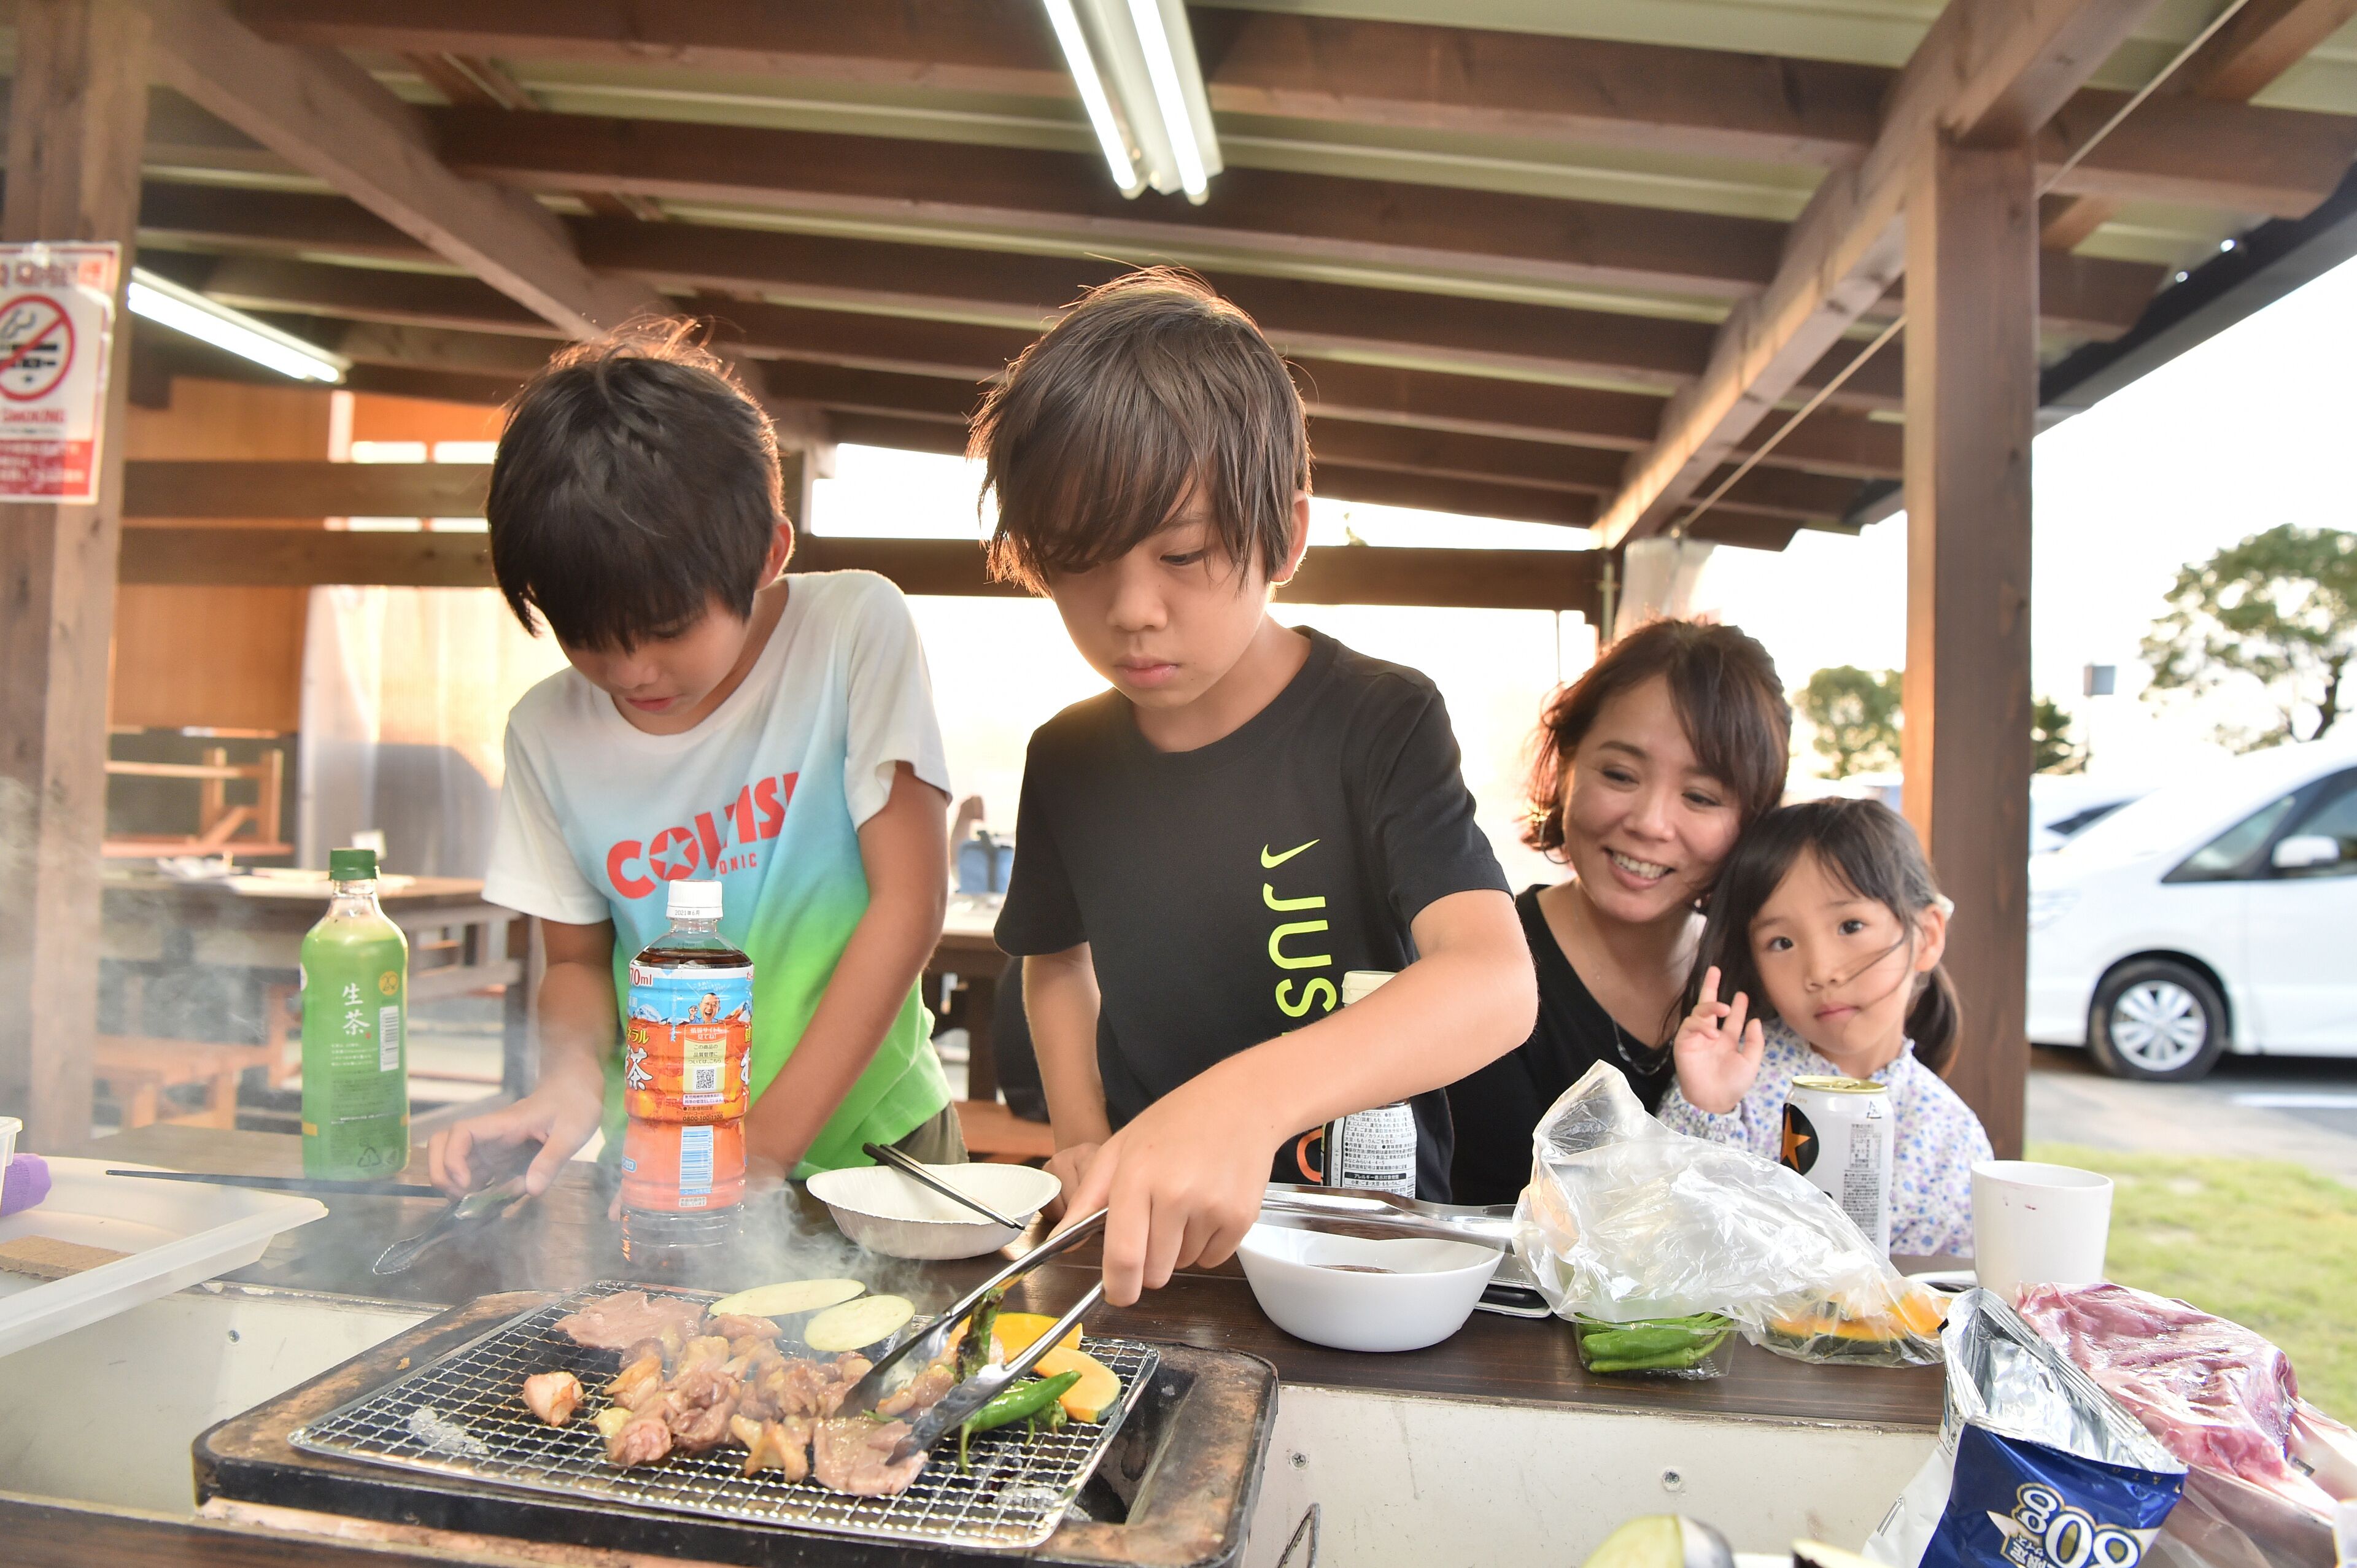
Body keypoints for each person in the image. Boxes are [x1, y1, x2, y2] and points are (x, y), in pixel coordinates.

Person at [981, 269, 1537, 1305]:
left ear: (1285, 535)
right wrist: (1084, 1140)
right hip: (1160, 1252)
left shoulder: (1378, 720)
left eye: (1182, 552)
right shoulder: (1069, 758)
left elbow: (1495, 984)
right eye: (1080, 562)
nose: (1133, 609)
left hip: (1358, 1242)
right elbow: (1052, 961)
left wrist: (1241, 1105)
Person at [427, 323, 961, 1201]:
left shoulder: (853, 631)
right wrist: (566, 1084)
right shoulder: (546, 730)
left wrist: (761, 1151)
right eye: (588, 640)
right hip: (662, 1155)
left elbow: (910, 903)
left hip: (879, 1143)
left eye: (669, 630)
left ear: (768, 555)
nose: (633, 671)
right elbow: (572, 964)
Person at [1446, 620, 1789, 1207]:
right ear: (1567, 765)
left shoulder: (1771, 984)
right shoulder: (1479, 972)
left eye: (1701, 797)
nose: (1651, 822)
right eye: (1620, 775)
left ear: (1752, 820)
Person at [1660, 796, 1992, 1257]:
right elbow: (1672, 1233)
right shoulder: (1732, 1081)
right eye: (1782, 941)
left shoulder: (1952, 1136)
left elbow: (1946, 1299)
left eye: (1851, 925)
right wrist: (1707, 1107)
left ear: (1928, 935)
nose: (1820, 970)